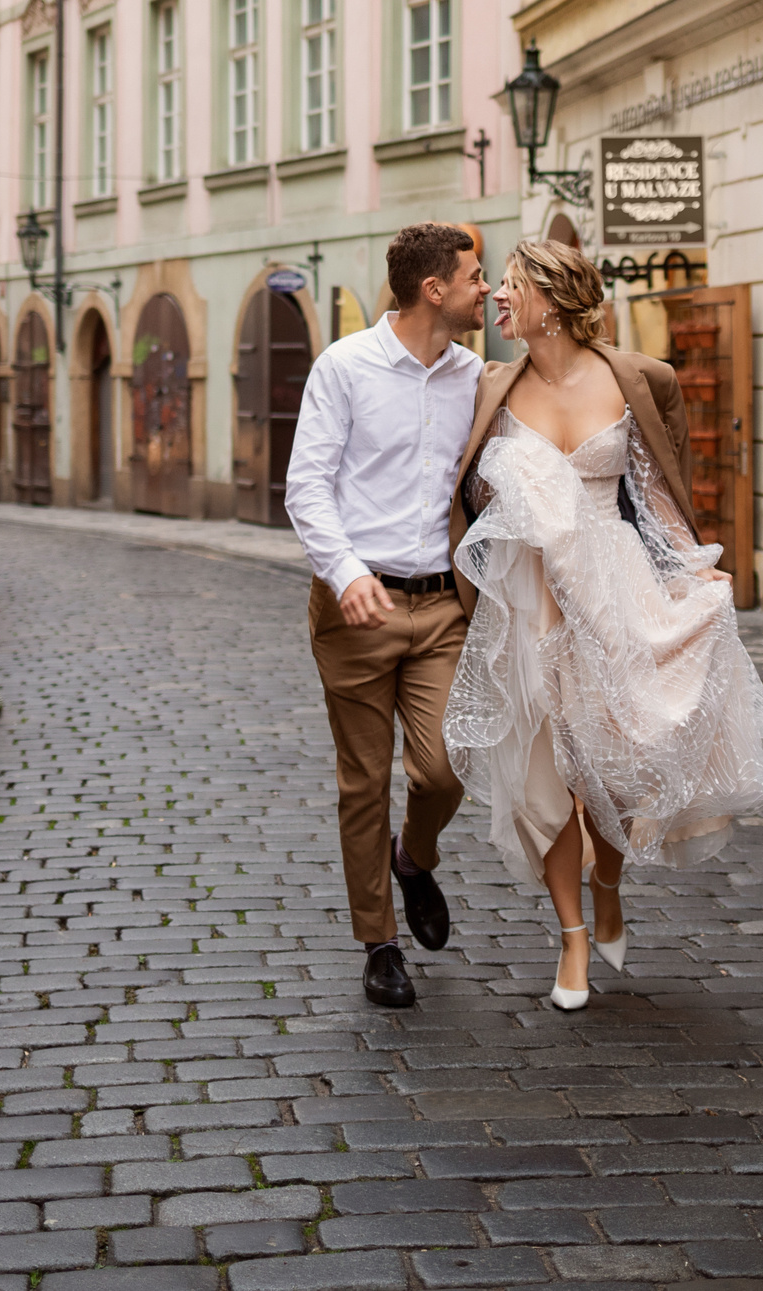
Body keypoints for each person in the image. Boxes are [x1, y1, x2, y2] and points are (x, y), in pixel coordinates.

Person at [443, 239, 763, 1011]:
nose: (499, 300)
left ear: (554, 302)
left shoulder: (634, 378)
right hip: (530, 599)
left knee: (612, 770)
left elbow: (657, 490)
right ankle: (571, 936)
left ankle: (609, 882)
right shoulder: (491, 385)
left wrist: (692, 570)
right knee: (544, 784)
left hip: (613, 589)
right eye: (494, 286)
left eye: (512, 287)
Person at [283, 222, 492, 1008]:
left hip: (444, 607)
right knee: (363, 780)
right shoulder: (345, 366)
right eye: (476, 275)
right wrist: (343, 573)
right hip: (356, 608)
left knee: (446, 766)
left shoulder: (478, 375)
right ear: (434, 289)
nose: (486, 287)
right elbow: (307, 486)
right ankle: (379, 941)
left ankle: (416, 857)